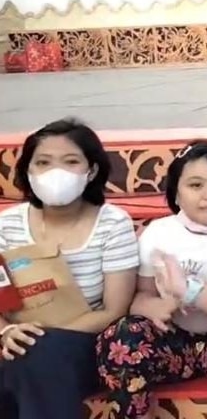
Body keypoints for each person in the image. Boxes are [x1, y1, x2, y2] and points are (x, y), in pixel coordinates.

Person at [97, 141, 207, 419]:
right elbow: (140, 297)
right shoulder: (158, 232)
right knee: (122, 334)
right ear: (176, 192)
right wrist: (152, 307)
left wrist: (187, 291)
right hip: (174, 342)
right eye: (195, 185)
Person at [0, 118, 139, 419]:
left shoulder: (113, 224)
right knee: (20, 360)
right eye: (44, 162)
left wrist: (41, 337)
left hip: (84, 345)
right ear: (28, 170)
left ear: (92, 171)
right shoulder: (6, 225)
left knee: (38, 357)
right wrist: (6, 331)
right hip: (13, 340)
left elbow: (114, 311)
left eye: (70, 161)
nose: (55, 171)